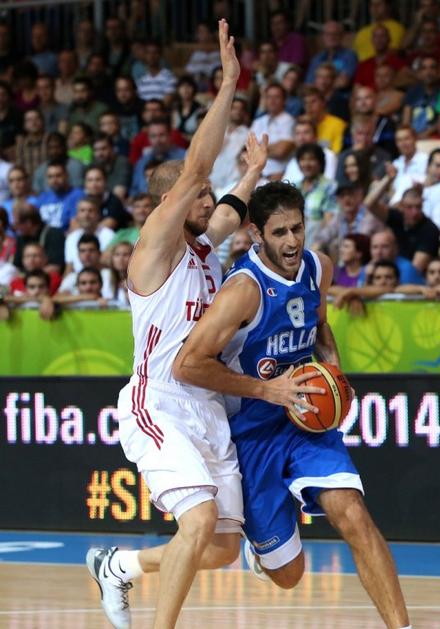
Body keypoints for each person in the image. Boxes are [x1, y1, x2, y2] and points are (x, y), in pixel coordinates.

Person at [86, 21, 269, 629]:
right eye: (202, 195)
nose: (210, 204)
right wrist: (228, 85)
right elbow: (195, 169)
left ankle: (118, 567)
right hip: (158, 401)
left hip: (206, 405)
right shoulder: (155, 249)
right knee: (194, 525)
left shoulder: (200, 249)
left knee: (219, 547)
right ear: (175, 201)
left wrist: (251, 175)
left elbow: (226, 216)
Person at [173, 179, 411, 629]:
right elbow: (188, 365)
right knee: (289, 576)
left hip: (306, 425)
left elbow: (321, 328)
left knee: (354, 515)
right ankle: (262, 553)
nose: (292, 241)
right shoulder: (241, 291)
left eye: (297, 228)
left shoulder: (319, 267)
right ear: (257, 234)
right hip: (253, 434)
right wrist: (269, 390)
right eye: (279, 232)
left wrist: (334, 371)